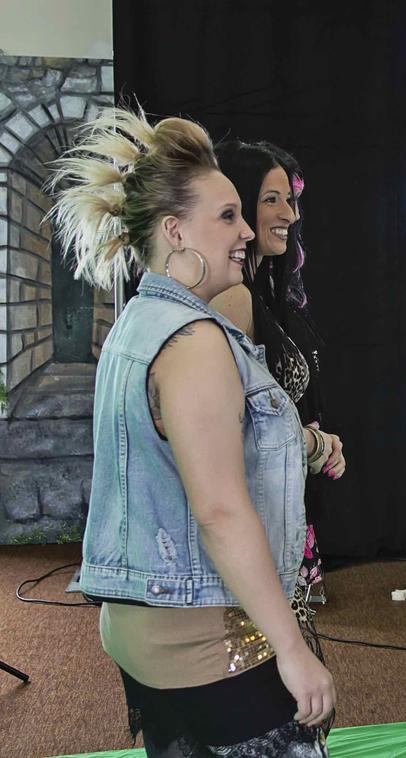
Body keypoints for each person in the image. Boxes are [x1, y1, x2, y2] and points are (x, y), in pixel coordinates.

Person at [52, 107, 336, 756]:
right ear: (176, 232)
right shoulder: (196, 341)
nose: (246, 231)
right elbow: (219, 511)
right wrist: (292, 650)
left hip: (143, 633)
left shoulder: (135, 324)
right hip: (204, 641)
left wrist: (310, 445)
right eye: (228, 216)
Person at [211, 140, 345, 607]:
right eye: (272, 199)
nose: (290, 212)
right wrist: (313, 444)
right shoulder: (233, 300)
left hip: (284, 505)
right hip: (256, 516)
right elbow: (233, 425)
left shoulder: (266, 292)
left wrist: (318, 443)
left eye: (290, 199)